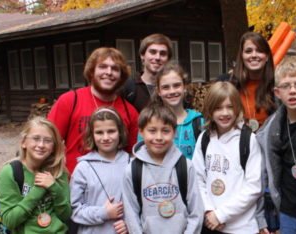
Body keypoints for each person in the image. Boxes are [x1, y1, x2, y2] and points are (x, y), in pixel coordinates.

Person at [48, 47, 139, 173]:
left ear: (121, 76)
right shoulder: (70, 100)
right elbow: (48, 140)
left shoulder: (130, 112)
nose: (109, 72)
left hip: (113, 186)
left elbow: (132, 155)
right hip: (72, 183)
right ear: (91, 71)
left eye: (115, 68)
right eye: (103, 66)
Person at [192, 81, 264, 233]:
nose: (224, 113)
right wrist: (209, 211)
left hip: (241, 228)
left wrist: (221, 215)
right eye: (218, 108)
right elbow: (197, 179)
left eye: (230, 107)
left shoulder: (247, 140)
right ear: (210, 110)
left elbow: (254, 187)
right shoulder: (204, 139)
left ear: (237, 108)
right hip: (211, 224)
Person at [122, 103, 204, 233]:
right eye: (152, 131)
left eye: (165, 131)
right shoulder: (132, 170)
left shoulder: (185, 166)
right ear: (141, 132)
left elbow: (196, 211)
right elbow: (131, 215)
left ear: (174, 133)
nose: (159, 137)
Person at [256, 56, 296, 234]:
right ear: (276, 92)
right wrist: (260, 216)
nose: (292, 91)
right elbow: (262, 175)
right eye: (286, 86)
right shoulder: (270, 130)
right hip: (288, 208)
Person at [0, 117, 71, 233]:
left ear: (53, 147)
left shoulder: (58, 171)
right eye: (35, 138)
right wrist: (38, 190)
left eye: (47, 140)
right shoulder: (10, 172)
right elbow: (9, 221)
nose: (41, 145)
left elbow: (66, 215)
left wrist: (54, 188)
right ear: (23, 142)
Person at [70, 107, 131, 234]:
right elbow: (74, 210)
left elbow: (141, 206)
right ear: (92, 135)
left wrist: (130, 224)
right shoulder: (83, 168)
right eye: (99, 132)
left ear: (120, 132)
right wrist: (104, 213)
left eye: (111, 131)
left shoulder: (132, 164)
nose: (106, 137)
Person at [138, 61, 204, 159]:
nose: (172, 91)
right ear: (158, 91)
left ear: (184, 87)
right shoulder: (149, 123)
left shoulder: (199, 122)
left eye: (176, 85)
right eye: (165, 87)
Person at [219, 31, 276, 131]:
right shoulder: (226, 82)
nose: (254, 55)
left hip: (267, 144)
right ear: (241, 56)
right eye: (248, 51)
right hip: (234, 142)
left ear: (267, 57)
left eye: (259, 51)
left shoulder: (277, 85)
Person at [121, 33, 172, 112]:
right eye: (153, 52)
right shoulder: (128, 87)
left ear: (168, 59)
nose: (157, 57)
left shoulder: (174, 88)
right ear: (142, 55)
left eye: (163, 53)